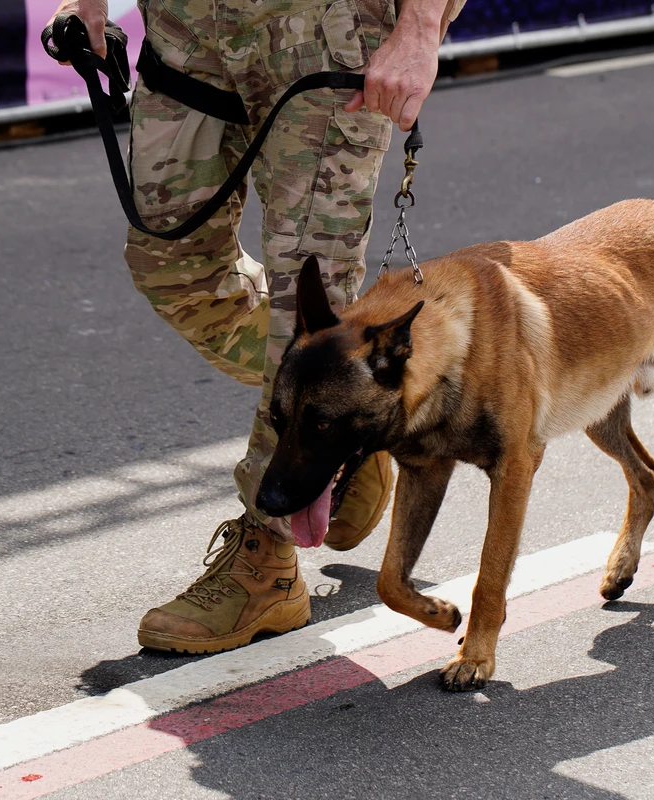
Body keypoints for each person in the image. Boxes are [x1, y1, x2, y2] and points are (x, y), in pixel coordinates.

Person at [50, 0, 464, 654]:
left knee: (306, 295)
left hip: (325, 25)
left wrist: (417, 28)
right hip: (191, 19)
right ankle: (351, 424)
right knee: (171, 263)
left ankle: (268, 555)